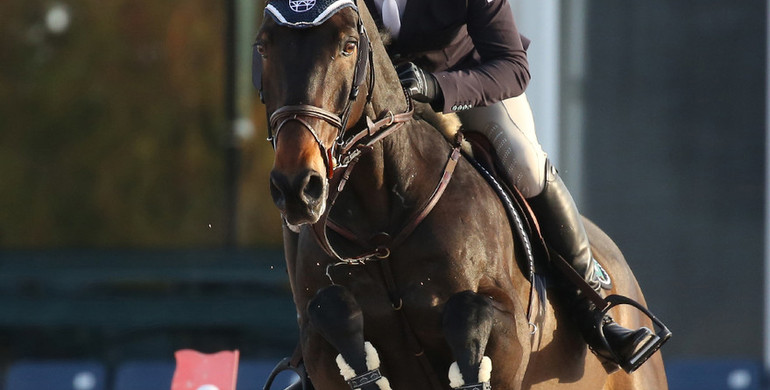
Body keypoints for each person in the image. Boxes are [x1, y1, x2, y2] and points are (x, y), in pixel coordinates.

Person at [364, 0, 660, 372]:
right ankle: (312, 345)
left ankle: (593, 310)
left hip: (464, 83)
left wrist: (436, 86)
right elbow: (272, 42)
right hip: (374, 106)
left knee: (525, 164)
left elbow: (513, 68)